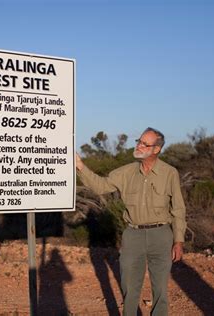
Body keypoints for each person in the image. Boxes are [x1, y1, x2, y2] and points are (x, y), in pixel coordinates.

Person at [76, 127, 186, 316]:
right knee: (129, 287)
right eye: (139, 141)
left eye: (145, 143)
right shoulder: (125, 172)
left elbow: (178, 208)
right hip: (132, 235)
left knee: (160, 290)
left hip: (161, 236)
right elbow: (101, 186)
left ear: (156, 150)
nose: (139, 146)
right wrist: (80, 166)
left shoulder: (170, 173)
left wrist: (179, 240)